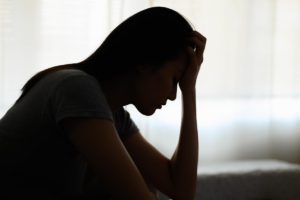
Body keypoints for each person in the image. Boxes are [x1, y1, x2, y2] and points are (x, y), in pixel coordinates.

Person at [0, 6, 206, 200]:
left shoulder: (113, 114)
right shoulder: (77, 89)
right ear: (145, 63)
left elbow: (181, 192)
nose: (172, 96)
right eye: (174, 81)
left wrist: (189, 91)